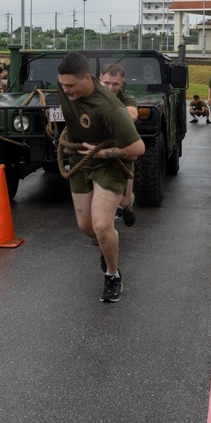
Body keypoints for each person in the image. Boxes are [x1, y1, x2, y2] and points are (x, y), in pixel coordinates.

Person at [56, 53, 144, 302]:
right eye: (63, 85)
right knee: (86, 227)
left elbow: (138, 149)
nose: (66, 90)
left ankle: (113, 275)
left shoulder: (112, 108)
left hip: (109, 162)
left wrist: (104, 152)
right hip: (79, 160)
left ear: (86, 79)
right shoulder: (66, 84)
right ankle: (107, 247)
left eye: (71, 86)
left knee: (103, 226)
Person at [99, 63, 139, 226]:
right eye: (106, 83)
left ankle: (126, 207)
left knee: (124, 200)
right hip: (97, 150)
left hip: (123, 152)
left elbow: (133, 115)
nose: (111, 87)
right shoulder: (90, 96)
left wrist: (110, 105)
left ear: (122, 83)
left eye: (115, 84)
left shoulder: (126, 97)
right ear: (100, 79)